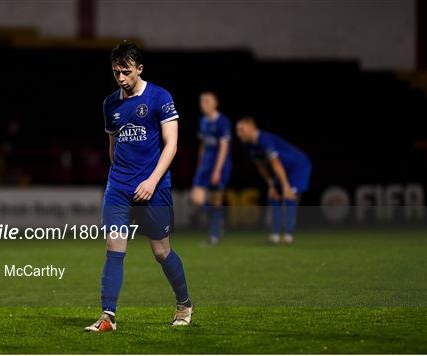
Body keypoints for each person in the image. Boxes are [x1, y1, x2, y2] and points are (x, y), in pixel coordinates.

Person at [85, 41, 193, 332]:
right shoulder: (111, 104)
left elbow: (171, 145)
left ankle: (184, 303)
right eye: (116, 72)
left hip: (153, 188)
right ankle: (108, 316)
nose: (121, 78)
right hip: (118, 188)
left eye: (126, 72)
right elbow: (112, 146)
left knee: (161, 252)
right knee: (114, 248)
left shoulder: (160, 97)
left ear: (140, 69)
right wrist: (119, 176)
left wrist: (151, 180)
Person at [236, 117, 311, 244]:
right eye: (237, 130)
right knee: (274, 196)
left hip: (298, 165)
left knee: (289, 196)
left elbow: (275, 162)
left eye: (241, 130)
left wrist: (286, 185)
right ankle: (275, 236)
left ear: (251, 127)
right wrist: (271, 184)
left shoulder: (264, 139)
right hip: (283, 169)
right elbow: (261, 166)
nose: (239, 133)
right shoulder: (249, 145)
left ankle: (288, 236)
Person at [191, 92, 232, 245]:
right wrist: (200, 165)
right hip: (205, 166)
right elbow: (203, 145)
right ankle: (218, 218)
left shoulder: (223, 121)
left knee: (216, 200)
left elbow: (224, 147)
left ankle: (214, 236)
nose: (203, 104)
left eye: (207, 101)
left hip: (219, 166)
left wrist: (217, 170)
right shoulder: (203, 121)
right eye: (202, 102)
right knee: (196, 199)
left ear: (215, 103)